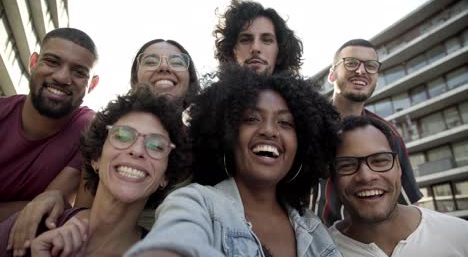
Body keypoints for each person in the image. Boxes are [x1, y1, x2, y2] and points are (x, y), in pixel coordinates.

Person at [125, 64, 342, 257]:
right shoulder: (195, 203)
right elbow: (174, 241)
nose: (269, 130)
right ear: (226, 134)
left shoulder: (314, 228)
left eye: (285, 123)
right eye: (251, 119)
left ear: (303, 143)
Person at [0, 86, 188, 256]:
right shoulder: (35, 223)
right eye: (122, 135)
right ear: (96, 158)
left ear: (165, 175)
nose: (137, 150)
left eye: (156, 145)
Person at [74, 38, 200, 207]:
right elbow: (83, 211)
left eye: (177, 62)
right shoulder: (105, 133)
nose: (164, 67)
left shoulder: (206, 143)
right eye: (150, 61)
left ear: (190, 81)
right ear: (135, 81)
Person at [314, 39, 422, 226]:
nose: (361, 71)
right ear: (331, 75)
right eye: (351, 63)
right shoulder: (302, 124)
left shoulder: (388, 135)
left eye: (370, 66)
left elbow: (405, 204)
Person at [328, 116, 468, 256]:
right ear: (332, 178)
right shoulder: (318, 249)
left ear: (399, 167)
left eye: (380, 160)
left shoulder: (460, 236)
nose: (366, 176)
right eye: (346, 165)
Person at [0, 27, 99, 221]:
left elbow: (42, 211)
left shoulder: (90, 131)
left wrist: (39, 207)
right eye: (52, 62)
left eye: (79, 72)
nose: (62, 78)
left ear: (92, 85)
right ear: (33, 63)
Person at [213, 0, 303, 74]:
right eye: (245, 40)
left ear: (279, 54)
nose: (255, 48)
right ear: (232, 51)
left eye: (267, 40)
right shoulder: (213, 94)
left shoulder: (305, 94)